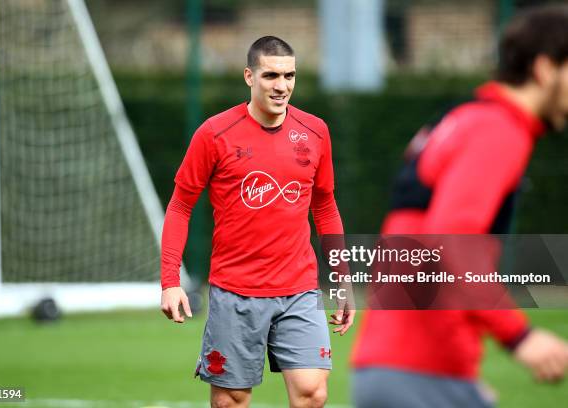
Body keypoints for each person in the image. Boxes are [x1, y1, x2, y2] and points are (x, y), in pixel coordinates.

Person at [351, 5, 568, 408]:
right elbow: (452, 239)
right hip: (416, 373)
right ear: (544, 68)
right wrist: (518, 335)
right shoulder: (498, 129)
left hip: (402, 369)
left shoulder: (462, 119)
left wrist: (457, 375)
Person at [160, 36, 354, 408]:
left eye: (289, 75)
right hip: (235, 292)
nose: (282, 86)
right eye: (270, 76)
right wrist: (170, 281)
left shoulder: (315, 132)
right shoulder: (214, 134)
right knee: (230, 401)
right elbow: (181, 206)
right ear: (249, 76)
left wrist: (342, 279)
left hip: (299, 289)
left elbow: (325, 207)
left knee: (313, 394)